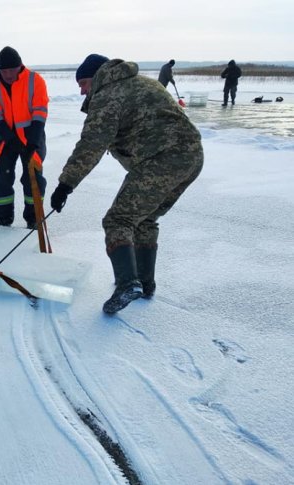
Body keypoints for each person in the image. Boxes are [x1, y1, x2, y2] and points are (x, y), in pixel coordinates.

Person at [50, 54, 204, 314]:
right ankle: (145, 282)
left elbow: (92, 144)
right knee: (144, 218)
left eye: (83, 83)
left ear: (97, 76)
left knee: (118, 220)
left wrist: (65, 184)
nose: (82, 90)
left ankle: (127, 284)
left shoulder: (108, 94)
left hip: (162, 159)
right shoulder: (142, 82)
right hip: (191, 157)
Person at [0, 46, 49, 228]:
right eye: (3, 71)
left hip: (32, 136)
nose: (7, 74)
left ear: (19, 66)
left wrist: (33, 141)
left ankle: (33, 218)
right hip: (6, 139)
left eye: (10, 70)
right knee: (2, 179)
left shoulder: (35, 80)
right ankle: (4, 220)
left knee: (33, 178)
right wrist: (9, 138)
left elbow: (40, 111)